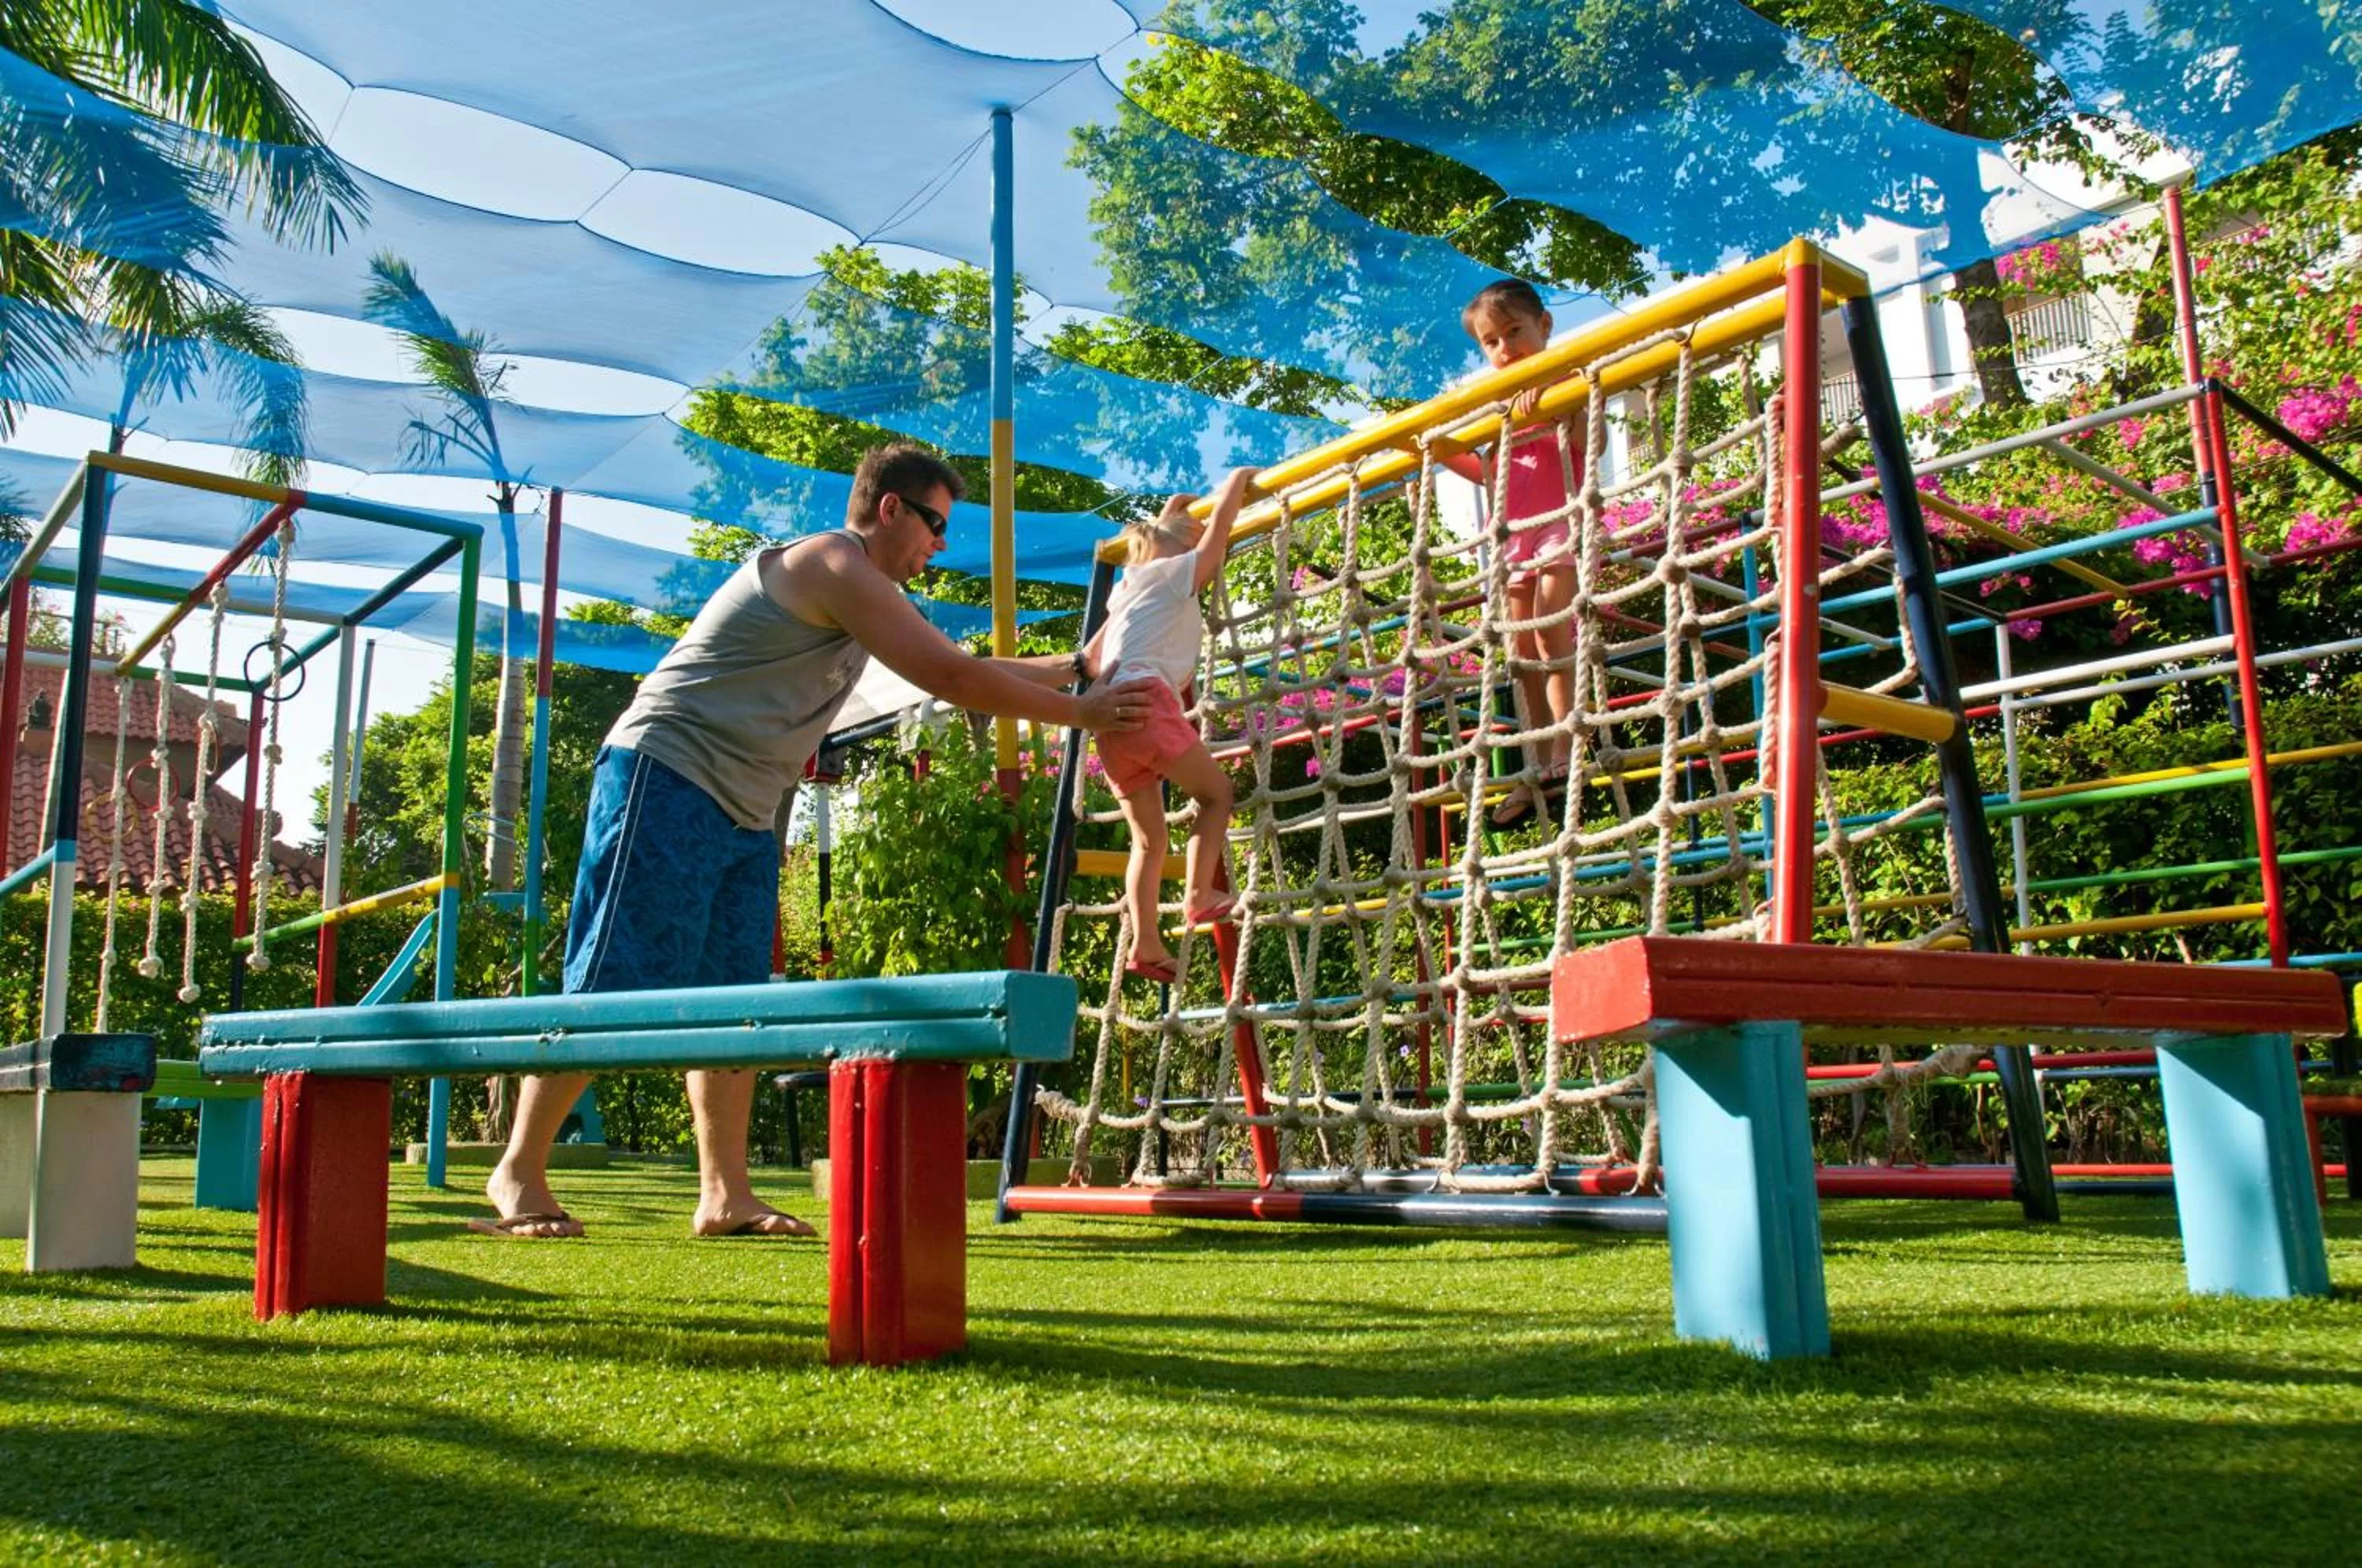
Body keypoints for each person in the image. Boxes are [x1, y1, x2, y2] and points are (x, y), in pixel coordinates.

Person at [475, 442, 1148, 1239]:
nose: (940, 544)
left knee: (736, 1004)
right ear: (888, 507)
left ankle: (725, 1194)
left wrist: (1076, 665)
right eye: (934, 523)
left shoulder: (865, 600)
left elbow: (960, 663)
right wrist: (1087, 714)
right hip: (666, 775)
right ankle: (517, 1171)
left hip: (748, 809)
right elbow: (955, 681)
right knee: (612, 981)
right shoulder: (833, 562)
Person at [1080, 468, 1257, 985]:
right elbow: (1214, 543)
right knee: (1217, 795)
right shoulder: (1175, 572)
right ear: (1175, 550)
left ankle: (1147, 942)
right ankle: (1198, 895)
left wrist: (1168, 519)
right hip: (1147, 703)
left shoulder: (1128, 589)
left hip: (1109, 713)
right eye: (1190, 538)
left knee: (1149, 842)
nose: (1201, 544)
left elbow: (1091, 660)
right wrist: (1234, 488)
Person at [1456, 278, 1580, 829]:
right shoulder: (1493, 405)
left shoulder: (1568, 375)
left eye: (1515, 333)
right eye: (1492, 342)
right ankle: (1535, 767)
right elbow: (1485, 472)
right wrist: (1440, 446)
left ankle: (1566, 751)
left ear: (1544, 327)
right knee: (1520, 650)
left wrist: (1552, 406)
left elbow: (1588, 441)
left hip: (1559, 524)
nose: (1506, 350)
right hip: (1511, 535)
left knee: (1553, 634)